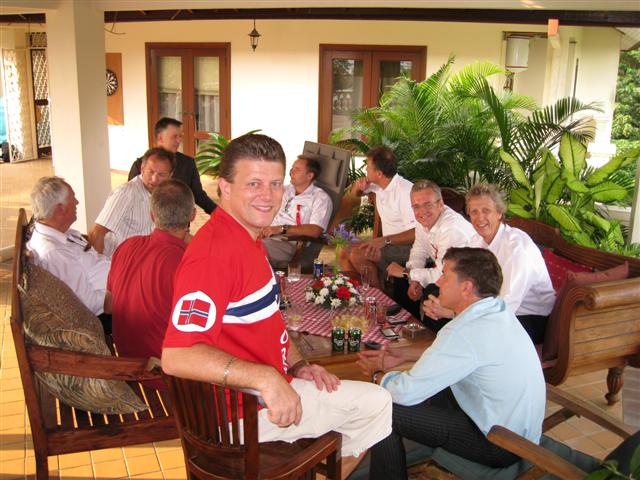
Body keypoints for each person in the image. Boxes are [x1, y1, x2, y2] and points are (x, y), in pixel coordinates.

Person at [161, 134, 392, 478]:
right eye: (253, 183)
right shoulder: (213, 256)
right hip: (237, 417)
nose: (267, 196)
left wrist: (299, 365)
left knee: (367, 402)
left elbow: (269, 321)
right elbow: (176, 355)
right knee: (376, 404)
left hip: (265, 390)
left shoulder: (248, 238)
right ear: (225, 187)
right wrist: (267, 379)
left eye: (274, 183)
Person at [358, 247, 546, 479]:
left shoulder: (464, 331)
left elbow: (403, 393)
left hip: (499, 443)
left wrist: (378, 375)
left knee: (382, 410)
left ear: (466, 287)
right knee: (430, 383)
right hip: (522, 433)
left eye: (445, 275)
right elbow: (459, 355)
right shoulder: (496, 311)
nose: (438, 281)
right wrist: (406, 355)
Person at [424, 183, 555, 344]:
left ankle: (452, 353)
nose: (480, 218)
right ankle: (441, 350)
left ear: (499, 213)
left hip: (527, 318)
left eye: (486, 210)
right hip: (489, 303)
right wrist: (443, 303)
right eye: (474, 212)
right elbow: (461, 276)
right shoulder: (477, 240)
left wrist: (453, 313)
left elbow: (503, 308)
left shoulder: (516, 249)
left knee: (457, 321)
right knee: (433, 293)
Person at [107, 180, 195, 389]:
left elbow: (109, 306)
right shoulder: (188, 263)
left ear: (152, 215)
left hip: (130, 363)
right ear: (192, 215)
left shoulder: (127, 246)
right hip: (166, 376)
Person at [385, 180, 475, 322]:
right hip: (447, 273)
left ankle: (429, 334)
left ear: (440, 204)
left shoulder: (451, 229)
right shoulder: (423, 220)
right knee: (403, 281)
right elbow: (419, 249)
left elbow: (442, 274)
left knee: (432, 293)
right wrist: (413, 279)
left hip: (468, 282)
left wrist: (407, 272)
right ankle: (405, 325)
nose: (422, 211)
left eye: (428, 205)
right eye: (416, 206)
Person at [26, 176, 111, 325]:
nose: (77, 202)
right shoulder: (55, 254)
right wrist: (129, 295)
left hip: (115, 281)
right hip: (109, 309)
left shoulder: (57, 232)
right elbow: (88, 304)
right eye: (73, 198)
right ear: (60, 209)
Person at [347, 146, 416, 288]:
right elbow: (355, 193)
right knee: (345, 251)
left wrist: (385, 240)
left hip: (410, 247)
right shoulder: (378, 184)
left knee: (357, 255)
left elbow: (416, 233)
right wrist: (359, 186)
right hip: (388, 244)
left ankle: (379, 296)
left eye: (368, 168)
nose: (366, 170)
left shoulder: (404, 192)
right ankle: (361, 293)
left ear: (379, 174)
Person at [89, 147, 175, 257]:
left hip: (145, 260)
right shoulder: (125, 193)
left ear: (170, 175)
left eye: (161, 175)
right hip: (119, 262)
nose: (154, 179)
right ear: (142, 169)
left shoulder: (164, 194)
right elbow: (96, 233)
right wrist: (99, 264)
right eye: (151, 172)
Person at [128, 117, 217, 214]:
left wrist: (220, 214)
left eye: (180, 136)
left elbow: (199, 196)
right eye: (174, 137)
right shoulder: (140, 165)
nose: (179, 141)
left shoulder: (188, 163)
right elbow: (132, 198)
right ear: (160, 138)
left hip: (180, 222)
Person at [260, 154, 332, 267]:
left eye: (296, 170)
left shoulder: (320, 198)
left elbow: (315, 230)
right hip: (267, 236)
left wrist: (281, 229)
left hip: (288, 242)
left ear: (309, 176)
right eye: (292, 168)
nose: (291, 172)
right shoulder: (286, 189)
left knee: (250, 250)